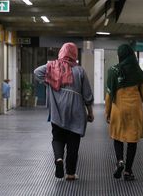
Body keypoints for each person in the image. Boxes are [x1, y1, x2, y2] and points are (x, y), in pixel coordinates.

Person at [34, 42, 94, 180]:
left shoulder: (52, 67)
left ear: (61, 52)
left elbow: (37, 72)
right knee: (73, 142)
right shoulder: (79, 71)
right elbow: (87, 95)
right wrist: (90, 112)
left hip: (57, 111)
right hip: (76, 111)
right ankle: (71, 173)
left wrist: (48, 80)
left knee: (58, 137)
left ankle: (59, 158)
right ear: (74, 54)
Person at [106, 44, 143, 181]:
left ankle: (120, 161)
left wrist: (107, 112)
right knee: (132, 140)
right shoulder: (138, 71)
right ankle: (128, 171)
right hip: (135, 110)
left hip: (118, 109)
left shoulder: (113, 71)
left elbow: (109, 95)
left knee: (117, 137)